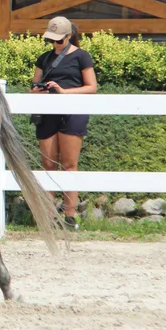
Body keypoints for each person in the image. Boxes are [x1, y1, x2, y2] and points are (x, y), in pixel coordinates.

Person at [30, 16, 98, 230]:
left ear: (69, 37)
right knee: (48, 165)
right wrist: (38, 90)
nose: (55, 44)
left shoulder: (81, 57)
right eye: (52, 40)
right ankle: (49, 216)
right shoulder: (44, 58)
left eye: (59, 40)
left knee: (69, 166)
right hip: (47, 113)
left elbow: (91, 87)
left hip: (72, 112)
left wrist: (63, 91)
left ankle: (69, 216)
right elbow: (32, 87)